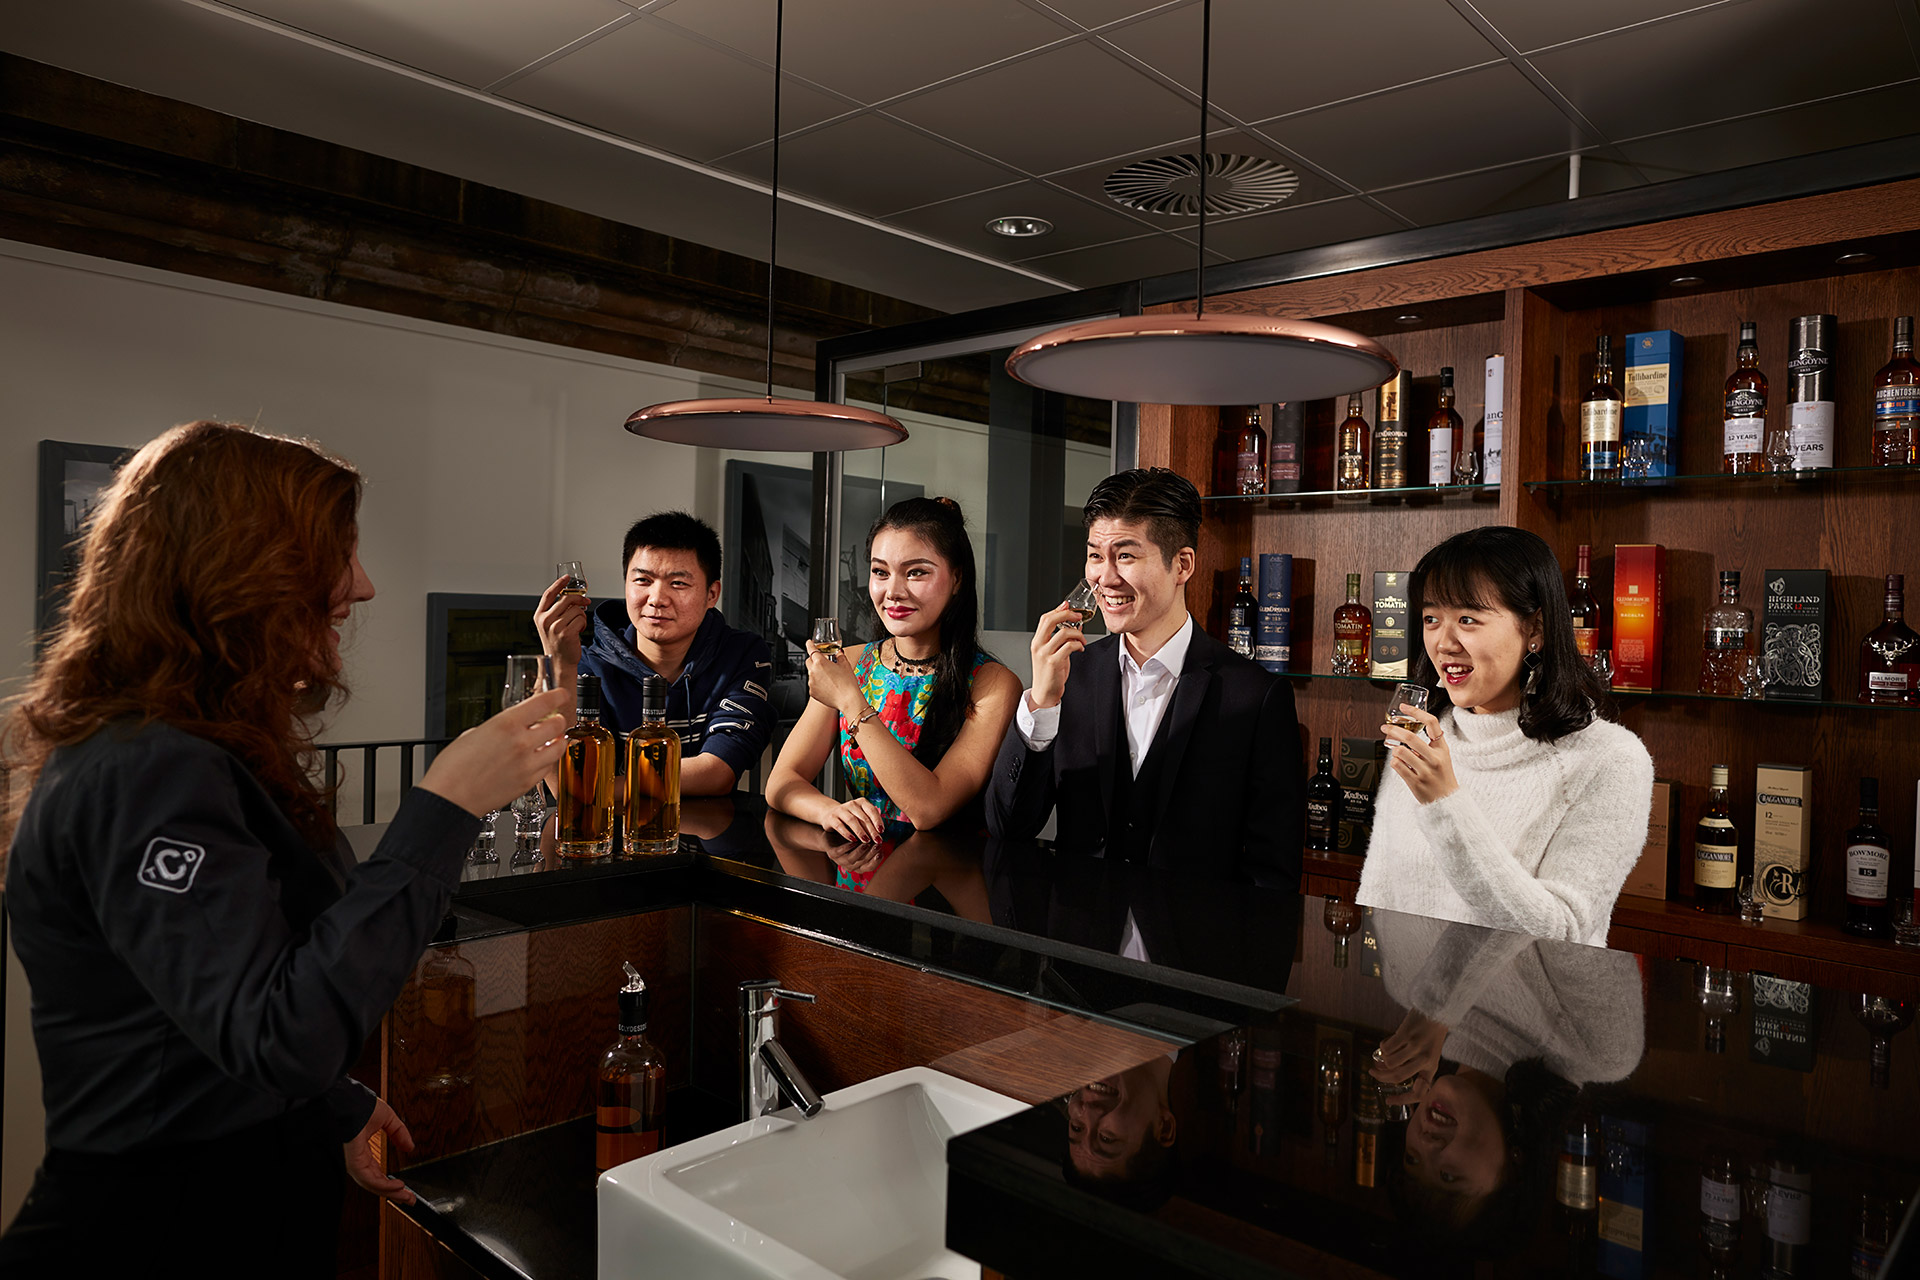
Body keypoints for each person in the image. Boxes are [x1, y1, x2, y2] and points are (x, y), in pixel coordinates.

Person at [0, 422, 568, 1276]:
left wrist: (329, 1107)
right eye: (336, 553)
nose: (363, 585)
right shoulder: (145, 771)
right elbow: (279, 1032)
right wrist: (445, 805)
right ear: (242, 573)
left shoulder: (181, 751)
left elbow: (205, 1002)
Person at [985, 468, 1303, 888]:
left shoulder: (1256, 697)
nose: (1105, 577)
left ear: (1182, 565)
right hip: (1078, 944)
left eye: (1127, 556)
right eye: (1096, 555)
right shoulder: (1070, 676)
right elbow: (1007, 829)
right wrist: (1041, 702)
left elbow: (1272, 877)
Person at [1356, 526, 1656, 945]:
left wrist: (1445, 804)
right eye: (1430, 619)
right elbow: (1379, 893)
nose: (1444, 643)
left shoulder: (1610, 760)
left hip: (1537, 1011)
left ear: (1535, 628)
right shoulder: (1424, 735)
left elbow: (1563, 933)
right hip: (1412, 1007)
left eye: (1467, 619)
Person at [766, 497, 1020, 845]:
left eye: (916, 572)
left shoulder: (992, 684)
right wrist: (827, 810)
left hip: (945, 882)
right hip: (858, 874)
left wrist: (850, 700)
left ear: (957, 578)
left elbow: (929, 809)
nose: (893, 592)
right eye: (880, 572)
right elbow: (782, 781)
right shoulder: (853, 663)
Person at [536, 511, 774, 796]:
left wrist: (589, 789)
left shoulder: (742, 654)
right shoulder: (588, 665)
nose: (657, 599)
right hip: (611, 836)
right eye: (643, 581)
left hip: (705, 835)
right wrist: (558, 664)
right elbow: (561, 780)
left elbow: (716, 772)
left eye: (678, 583)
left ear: (712, 594)